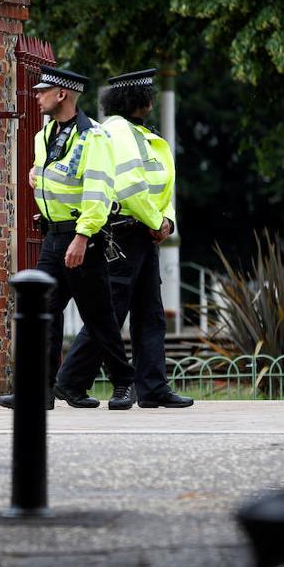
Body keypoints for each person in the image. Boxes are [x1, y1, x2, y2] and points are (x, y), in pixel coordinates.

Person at [0, 66, 138, 410]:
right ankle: (40, 391)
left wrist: (82, 236)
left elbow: (98, 190)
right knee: (43, 313)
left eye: (42, 90)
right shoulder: (45, 134)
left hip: (82, 238)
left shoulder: (94, 137)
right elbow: (57, 175)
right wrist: (37, 180)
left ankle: (124, 383)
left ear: (62, 95)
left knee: (98, 316)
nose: (36, 95)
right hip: (53, 236)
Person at [61, 69, 192, 409]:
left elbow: (161, 185)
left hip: (143, 232)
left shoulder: (140, 133)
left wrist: (167, 221)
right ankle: (70, 380)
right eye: (147, 92)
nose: (151, 98)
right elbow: (131, 186)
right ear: (135, 99)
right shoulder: (118, 131)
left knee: (150, 314)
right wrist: (156, 220)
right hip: (124, 232)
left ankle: (152, 388)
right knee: (110, 312)